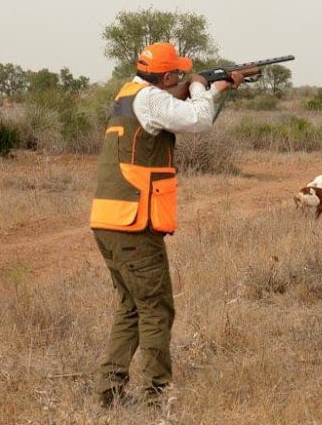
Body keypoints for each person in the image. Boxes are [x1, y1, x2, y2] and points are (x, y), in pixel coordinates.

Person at [90, 42, 244, 407]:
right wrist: (199, 87)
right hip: (133, 223)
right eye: (176, 73)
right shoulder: (150, 100)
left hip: (111, 220)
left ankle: (108, 395)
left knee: (132, 305)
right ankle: (155, 397)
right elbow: (198, 119)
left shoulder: (129, 93)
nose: (180, 75)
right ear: (167, 76)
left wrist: (214, 87)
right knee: (157, 308)